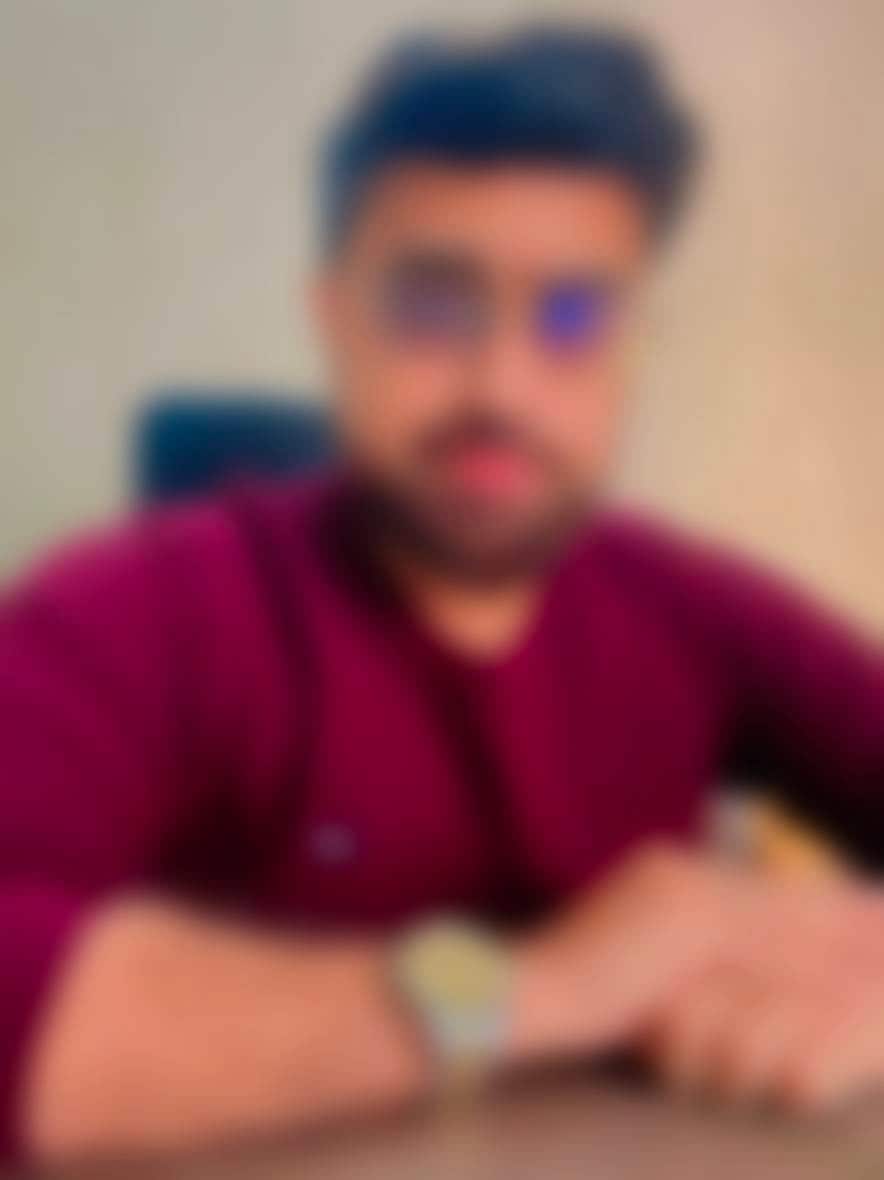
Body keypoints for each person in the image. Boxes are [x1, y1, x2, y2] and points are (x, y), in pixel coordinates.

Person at [2, 24, 883, 1166]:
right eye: (432, 304)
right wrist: (539, 987)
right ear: (333, 317)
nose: (503, 384)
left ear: (631, 346)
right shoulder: (146, 609)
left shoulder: (692, 609)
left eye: (574, 317)